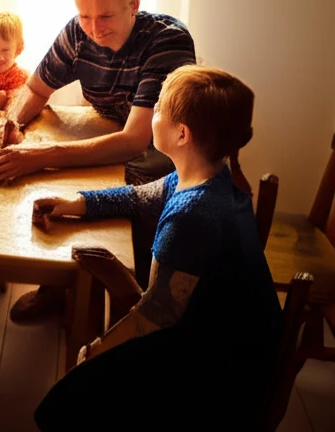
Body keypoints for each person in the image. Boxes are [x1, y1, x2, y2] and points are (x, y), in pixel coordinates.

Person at [31, 65, 283, 430]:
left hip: (226, 370)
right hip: (232, 336)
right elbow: (137, 197)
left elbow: (155, 314)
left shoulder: (192, 216)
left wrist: (97, 350)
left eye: (160, 107)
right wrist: (77, 203)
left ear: (182, 134)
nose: (152, 111)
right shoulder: (207, 176)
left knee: (65, 400)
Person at [0, 0, 197, 321]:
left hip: (165, 149)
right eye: (84, 16)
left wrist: (38, 156)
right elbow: (35, 89)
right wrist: (12, 126)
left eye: (106, 17)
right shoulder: (77, 33)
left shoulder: (168, 40)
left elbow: (135, 140)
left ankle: (128, 303)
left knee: (115, 200)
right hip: (111, 128)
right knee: (60, 177)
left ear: (134, 6)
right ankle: (64, 287)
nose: (94, 29)